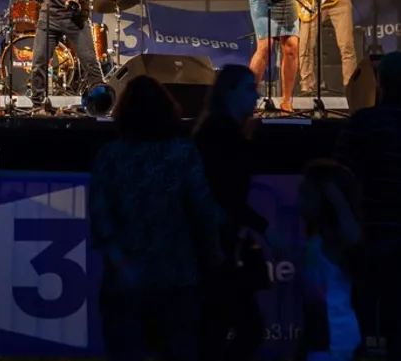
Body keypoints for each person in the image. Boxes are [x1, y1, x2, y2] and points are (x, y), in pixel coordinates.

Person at [89, 75, 226, 361]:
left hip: (126, 278)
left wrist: (121, 263)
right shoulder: (182, 153)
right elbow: (203, 209)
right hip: (176, 275)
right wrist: (215, 254)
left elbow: (101, 219)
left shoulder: (109, 156)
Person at [335, 51, 401, 361]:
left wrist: (350, 224)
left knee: (356, 323)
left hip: (365, 237)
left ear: (380, 82)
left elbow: (339, 177)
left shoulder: (362, 124)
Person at [192, 64, 285, 361]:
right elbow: (226, 193)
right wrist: (265, 228)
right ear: (230, 93)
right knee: (236, 326)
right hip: (215, 245)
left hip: (218, 243)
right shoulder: (220, 134)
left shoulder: (221, 131)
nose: (256, 96)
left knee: (223, 327)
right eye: (249, 89)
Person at [297, 159, 363, 361]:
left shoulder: (332, 243)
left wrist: (337, 199)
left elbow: (353, 238)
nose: (298, 202)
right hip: (321, 337)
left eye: (306, 195)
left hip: (335, 339)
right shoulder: (316, 241)